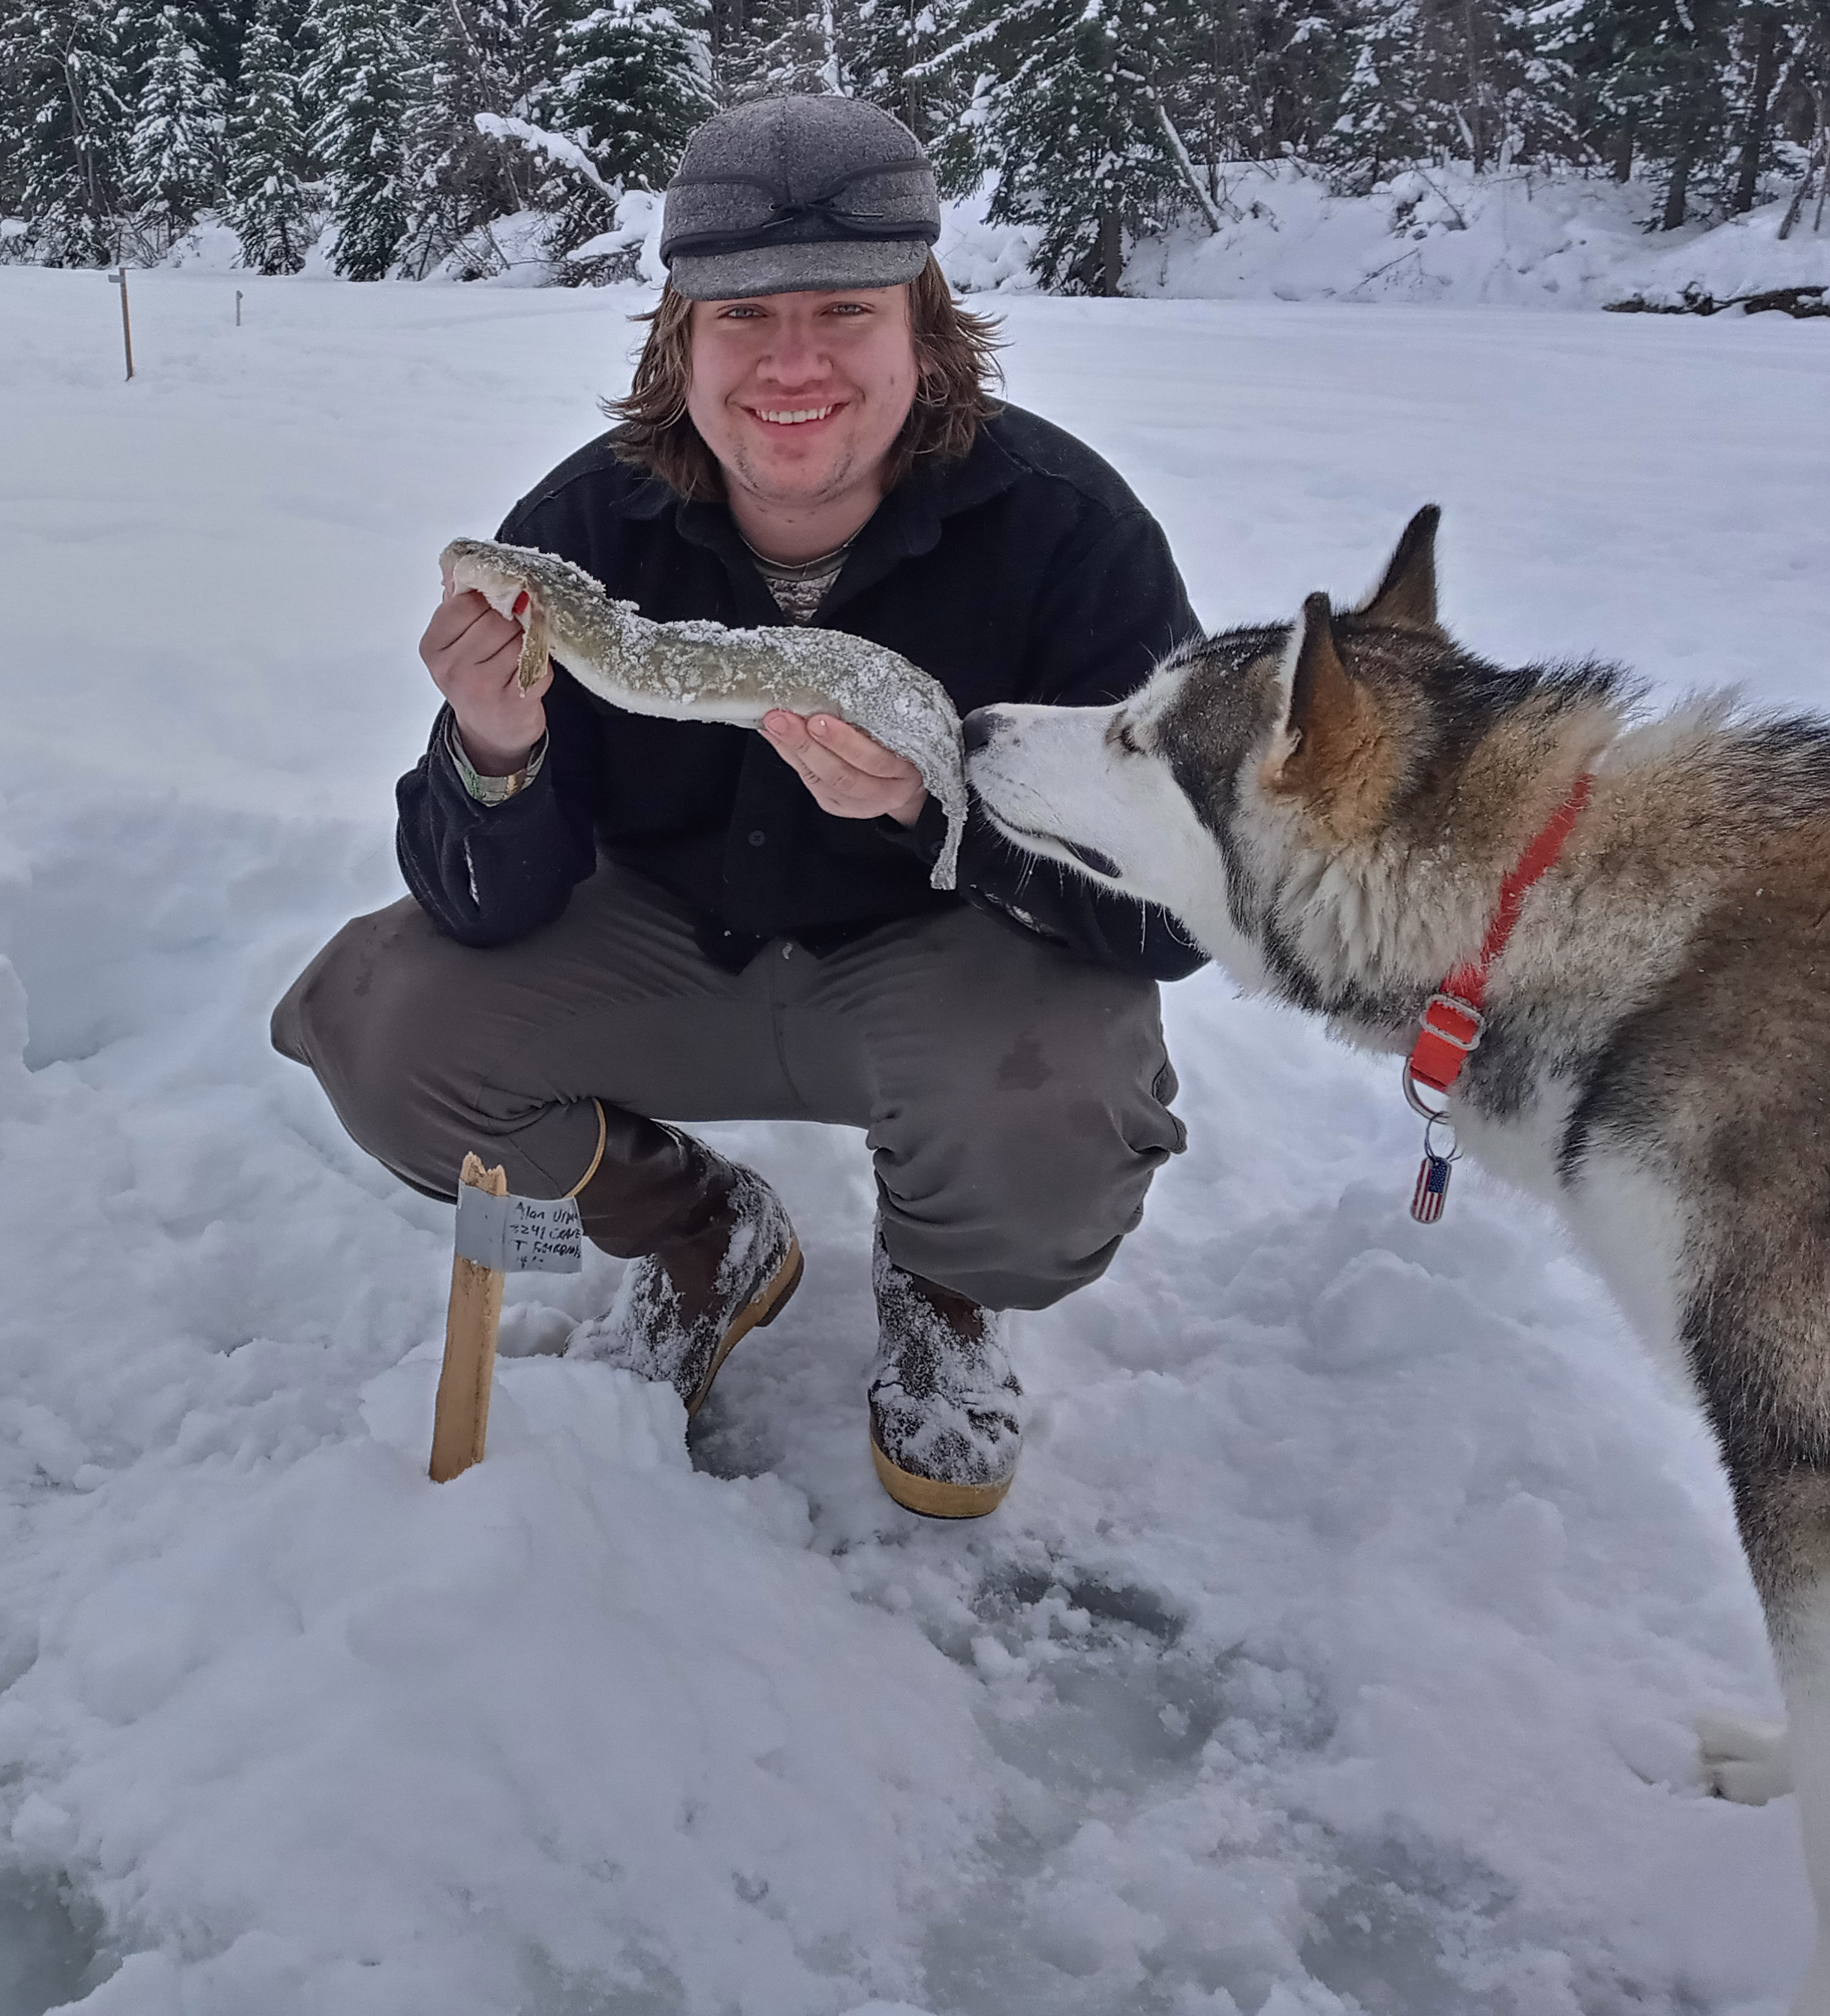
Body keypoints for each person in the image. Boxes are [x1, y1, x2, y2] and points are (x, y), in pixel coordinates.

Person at [272, 94, 1202, 1517]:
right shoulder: (580, 533)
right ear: (680, 340)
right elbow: (480, 910)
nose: (794, 363)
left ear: (922, 325)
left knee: (1054, 1123)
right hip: (670, 954)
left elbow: (1180, 911)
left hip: (945, 972)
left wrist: (934, 809)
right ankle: (701, 1229)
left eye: (845, 310)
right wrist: (496, 749)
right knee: (381, 1026)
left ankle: (945, 1283)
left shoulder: (1070, 533)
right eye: (743, 316)